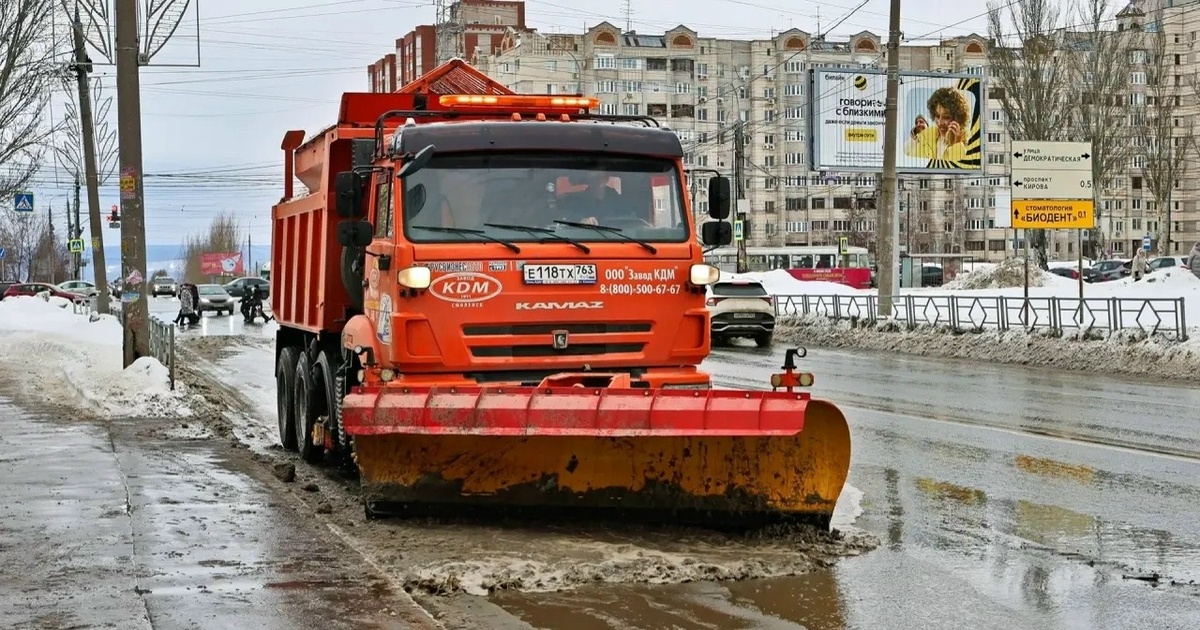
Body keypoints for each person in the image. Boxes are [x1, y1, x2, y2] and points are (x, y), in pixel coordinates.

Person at [904, 87, 970, 161]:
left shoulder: (969, 145)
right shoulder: (925, 137)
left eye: (946, 117)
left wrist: (957, 145)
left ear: (958, 118)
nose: (940, 122)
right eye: (937, 116)